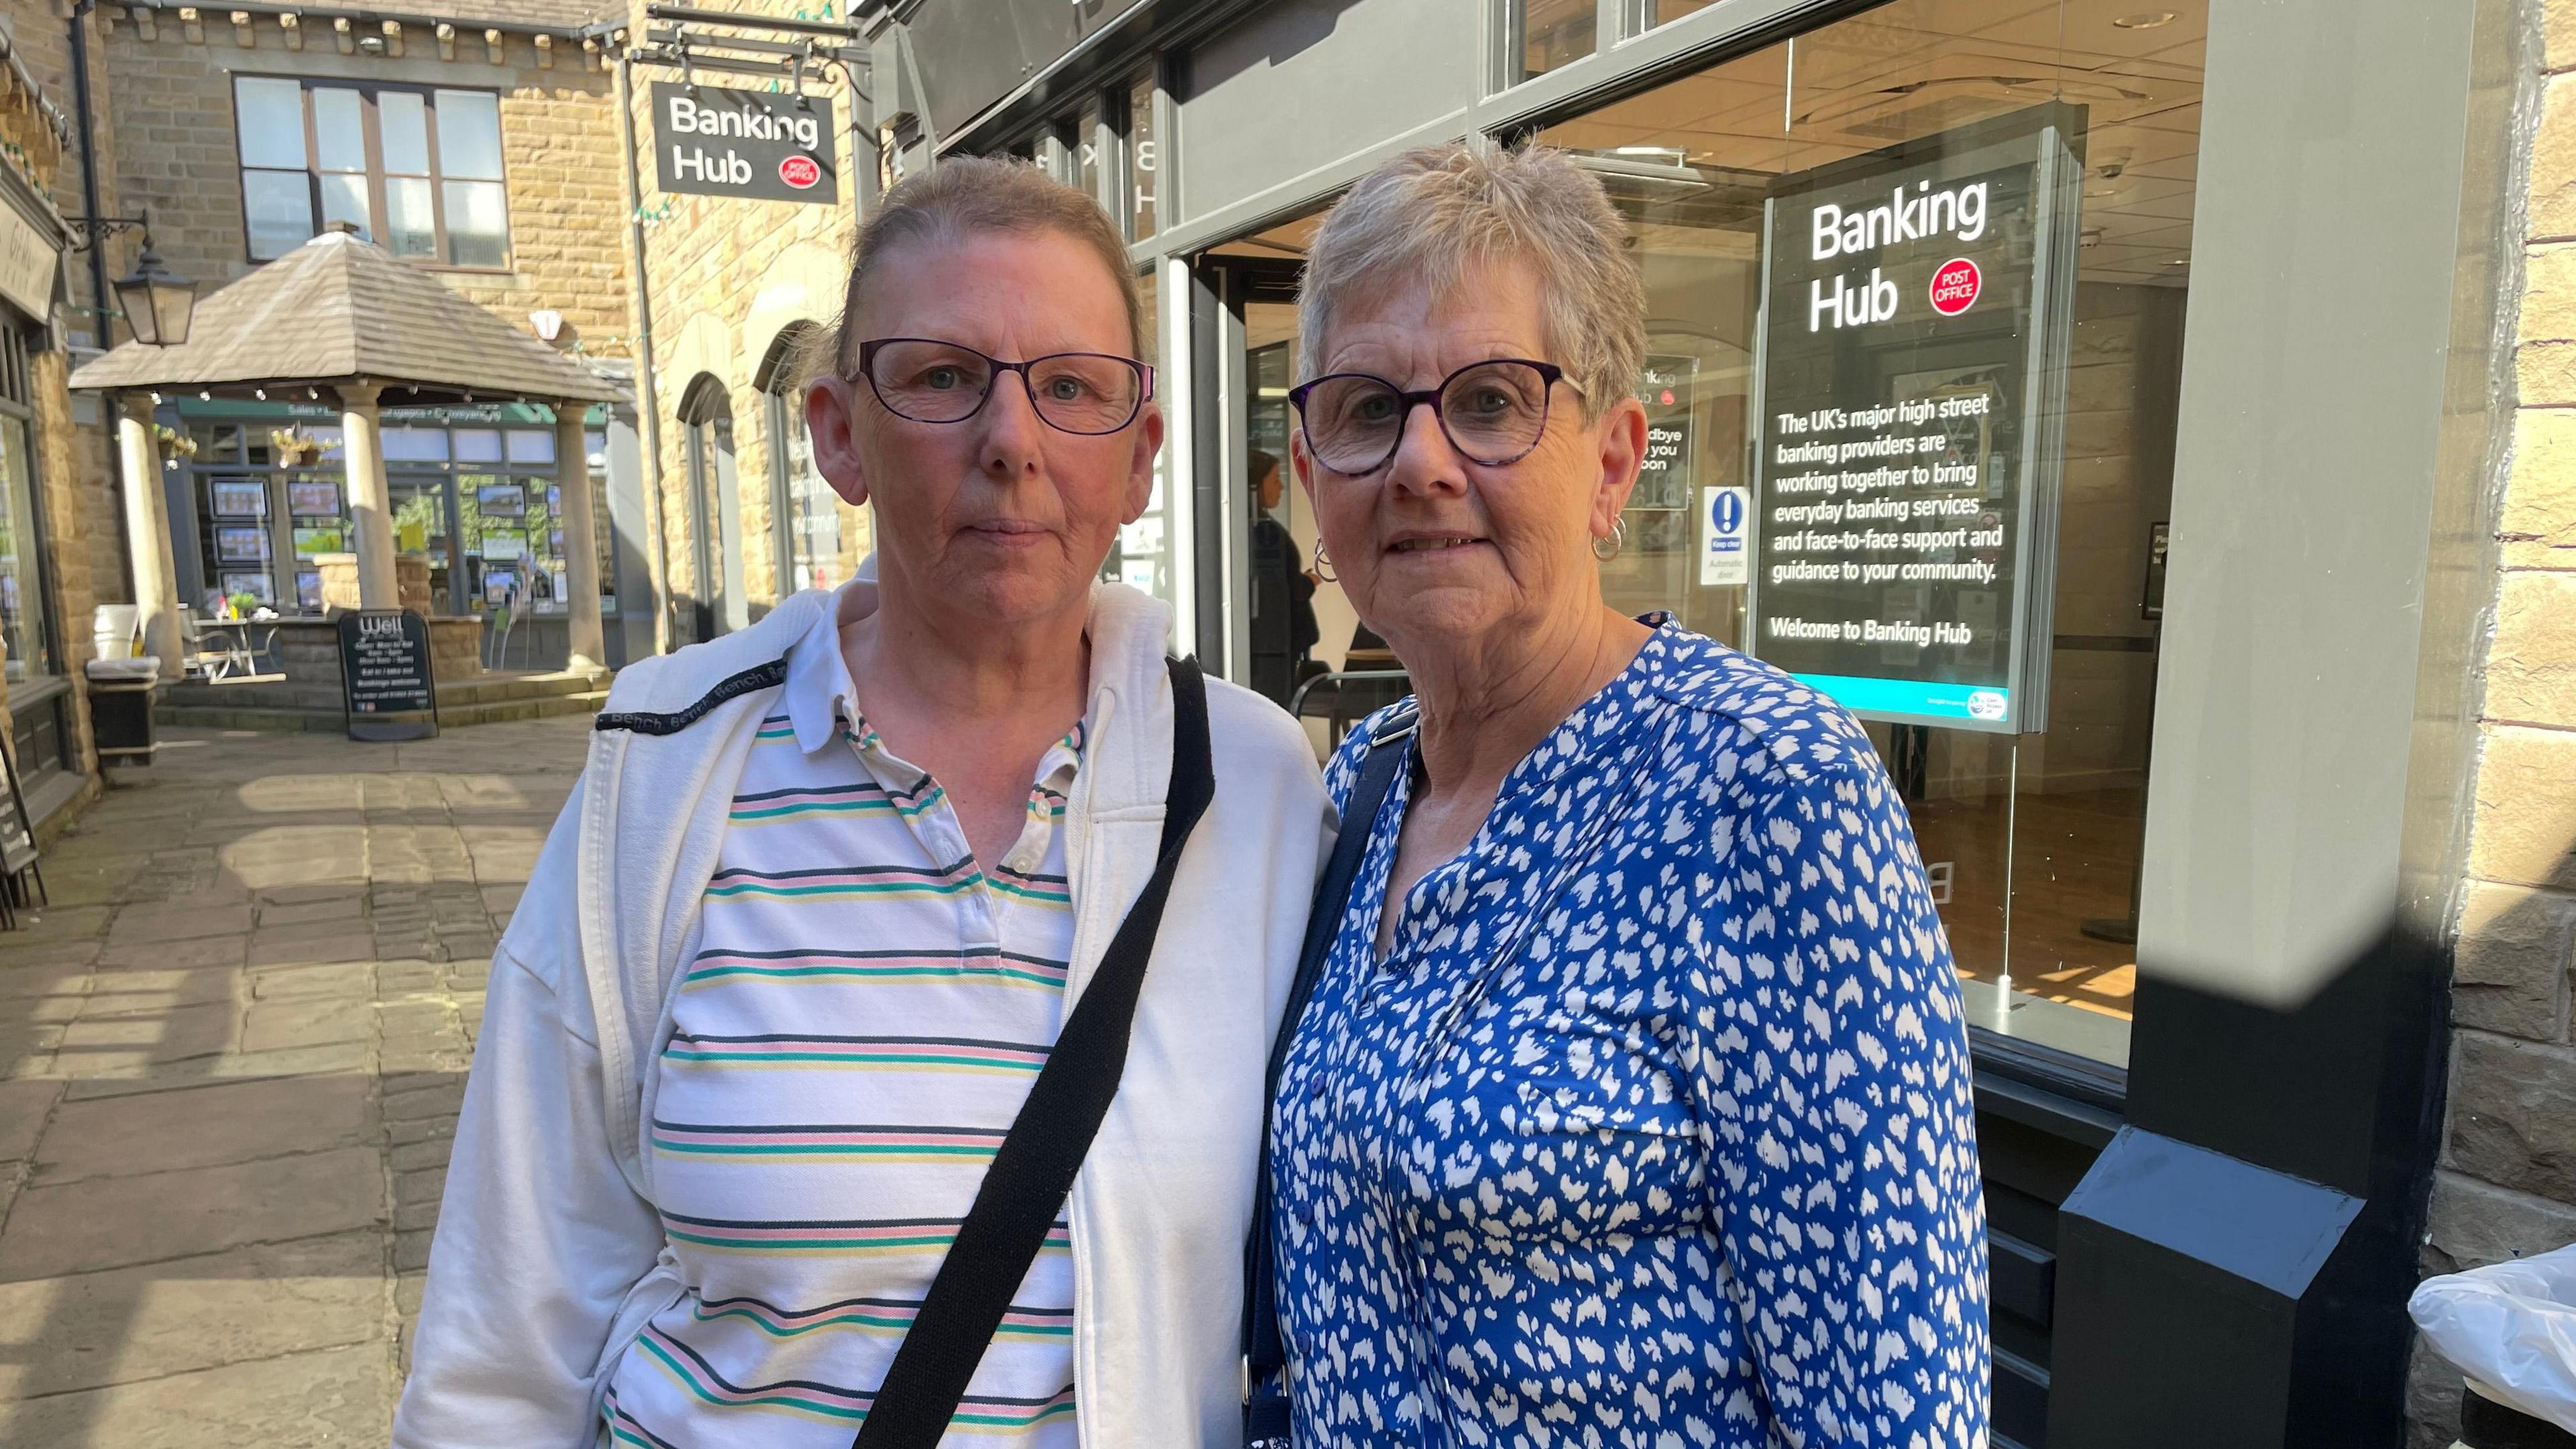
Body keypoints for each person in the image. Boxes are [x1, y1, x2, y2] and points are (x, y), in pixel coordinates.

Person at [394, 156, 1332, 1448]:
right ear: (839, 431)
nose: (1013, 441)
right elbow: (507, 1326)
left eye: (1071, 388)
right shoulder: (670, 765)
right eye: (944, 377)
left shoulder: (1253, 784)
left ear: (1141, 459)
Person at [1266, 143, 1989, 1446]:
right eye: (1369, 409)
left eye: (1489, 401)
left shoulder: (1765, 794)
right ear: (1314, 479)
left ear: (1612, 463)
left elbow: (1893, 1405)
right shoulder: (1365, 782)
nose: (1422, 462)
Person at [1246, 447, 1321, 705]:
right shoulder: (1267, 533)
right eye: (1276, 480)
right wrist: (1309, 581)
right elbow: (1283, 589)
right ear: (1256, 485)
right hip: (1274, 647)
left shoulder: (1256, 530)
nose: (1281, 487)